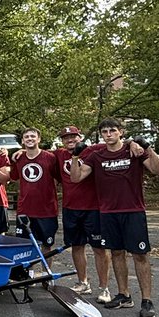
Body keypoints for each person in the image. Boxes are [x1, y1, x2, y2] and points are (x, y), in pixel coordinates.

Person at [69, 117, 159, 317]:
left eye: (113, 130)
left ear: (121, 132)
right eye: (105, 132)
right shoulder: (97, 156)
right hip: (108, 213)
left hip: (133, 211)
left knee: (140, 256)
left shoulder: (134, 151)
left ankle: (147, 300)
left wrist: (148, 148)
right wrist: (75, 156)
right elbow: (76, 178)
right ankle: (124, 294)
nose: (109, 134)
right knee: (116, 253)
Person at [54, 125, 112, 299]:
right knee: (76, 246)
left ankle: (104, 288)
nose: (70, 140)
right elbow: (37, 153)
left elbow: (116, 143)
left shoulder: (93, 150)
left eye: (73, 136)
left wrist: (134, 144)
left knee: (99, 249)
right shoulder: (59, 154)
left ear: (80, 137)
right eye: (66, 138)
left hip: (93, 208)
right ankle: (83, 282)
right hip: (71, 208)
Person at [10, 126, 61, 249]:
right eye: (26, 137)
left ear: (39, 139)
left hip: (46, 211)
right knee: (24, 246)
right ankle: (29, 269)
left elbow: (58, 179)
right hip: (25, 210)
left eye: (33, 136)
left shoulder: (50, 158)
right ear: (22, 141)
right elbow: (14, 178)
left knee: (46, 246)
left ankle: (45, 269)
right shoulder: (18, 158)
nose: (29, 139)